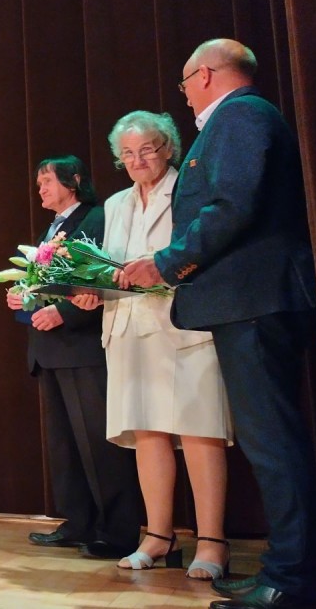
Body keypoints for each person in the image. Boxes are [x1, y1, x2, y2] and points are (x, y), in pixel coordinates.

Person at [120, 39, 316, 609]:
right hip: (251, 300)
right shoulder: (242, 118)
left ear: (204, 75)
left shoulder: (240, 116)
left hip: (255, 300)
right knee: (271, 443)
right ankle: (286, 569)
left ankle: (294, 582)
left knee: (274, 443)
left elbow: (232, 206)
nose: (184, 94)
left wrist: (167, 262)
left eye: (185, 83)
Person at [71, 112, 232, 578]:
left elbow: (204, 252)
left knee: (200, 430)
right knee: (147, 433)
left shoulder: (189, 190)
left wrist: (160, 271)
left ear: (168, 148)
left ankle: (212, 542)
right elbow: (110, 267)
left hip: (183, 327)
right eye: (127, 153)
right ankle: (159, 535)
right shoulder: (116, 203)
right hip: (127, 327)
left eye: (147, 149)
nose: (137, 160)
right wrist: (91, 291)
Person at [7, 156, 141, 559]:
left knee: (99, 445)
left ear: (74, 180)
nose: (41, 189)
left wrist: (63, 312)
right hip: (50, 349)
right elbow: (49, 282)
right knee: (65, 445)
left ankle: (117, 531)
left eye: (47, 180)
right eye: (38, 183)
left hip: (81, 347)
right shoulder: (53, 228)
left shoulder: (96, 219)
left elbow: (99, 282)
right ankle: (78, 522)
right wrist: (24, 296)